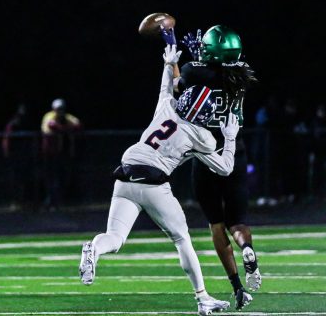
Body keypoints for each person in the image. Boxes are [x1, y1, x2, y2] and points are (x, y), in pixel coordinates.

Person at [79, 44, 236, 316]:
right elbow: (224, 168)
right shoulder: (202, 137)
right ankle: (202, 298)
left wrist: (168, 64)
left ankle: (93, 248)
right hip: (153, 183)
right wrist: (230, 137)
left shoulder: (167, 108)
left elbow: (165, 90)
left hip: (125, 173)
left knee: (114, 239)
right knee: (181, 238)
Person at [178, 25, 259, 309]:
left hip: (206, 153)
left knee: (216, 224)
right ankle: (247, 248)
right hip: (234, 150)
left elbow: (179, 85)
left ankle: (237, 286)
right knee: (238, 222)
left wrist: (185, 59)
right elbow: (219, 68)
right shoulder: (241, 73)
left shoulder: (192, 71)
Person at [40, 98, 81, 211]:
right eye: (58, 109)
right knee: (50, 179)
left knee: (62, 178)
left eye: (62, 109)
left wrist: (63, 129)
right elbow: (50, 128)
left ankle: (58, 203)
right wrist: (66, 129)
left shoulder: (67, 118)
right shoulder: (49, 116)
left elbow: (77, 124)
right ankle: (49, 202)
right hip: (49, 155)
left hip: (62, 154)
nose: (60, 111)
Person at [2, 103, 34, 210]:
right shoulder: (13, 124)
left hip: (26, 156)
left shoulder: (28, 123)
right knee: (16, 180)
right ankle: (15, 202)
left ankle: (26, 202)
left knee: (26, 179)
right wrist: (7, 153)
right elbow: (7, 139)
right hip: (15, 156)